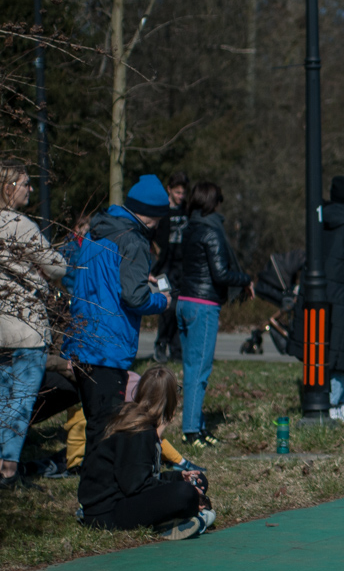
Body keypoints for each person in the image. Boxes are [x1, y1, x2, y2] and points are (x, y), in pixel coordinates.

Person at [62, 175, 171, 452]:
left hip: (83, 342)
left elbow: (92, 284)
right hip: (107, 348)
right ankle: (99, 490)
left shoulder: (95, 232)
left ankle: (96, 485)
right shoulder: (134, 242)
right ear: (153, 216)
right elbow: (135, 298)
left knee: (95, 423)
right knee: (106, 429)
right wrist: (161, 301)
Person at [77, 366, 215, 540]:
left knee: (198, 480)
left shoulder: (140, 423)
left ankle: (171, 520)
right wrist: (188, 492)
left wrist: (178, 478)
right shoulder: (140, 432)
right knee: (185, 493)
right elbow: (136, 487)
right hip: (107, 513)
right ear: (171, 400)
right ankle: (178, 520)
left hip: (122, 497)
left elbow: (140, 476)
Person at [0, 161, 67, 487]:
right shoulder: (18, 224)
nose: (30, 188)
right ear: (9, 187)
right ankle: (9, 470)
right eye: (25, 183)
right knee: (20, 399)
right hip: (26, 326)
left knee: (1, 396)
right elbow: (57, 266)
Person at [177, 181, 253, 447]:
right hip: (203, 305)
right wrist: (245, 278)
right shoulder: (212, 231)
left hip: (184, 301)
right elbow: (220, 274)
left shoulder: (189, 229)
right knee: (200, 370)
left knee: (190, 368)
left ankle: (196, 426)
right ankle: (191, 432)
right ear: (214, 202)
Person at [289, 177, 344, 423]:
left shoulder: (319, 220)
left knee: (321, 348)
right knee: (341, 349)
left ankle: (326, 400)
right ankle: (336, 403)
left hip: (321, 294)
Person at [150, 173, 189, 363]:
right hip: (164, 268)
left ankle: (176, 350)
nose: (181, 196)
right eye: (177, 192)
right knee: (167, 305)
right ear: (169, 190)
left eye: (183, 192)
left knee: (179, 308)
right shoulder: (162, 211)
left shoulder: (187, 211)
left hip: (182, 268)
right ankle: (161, 343)